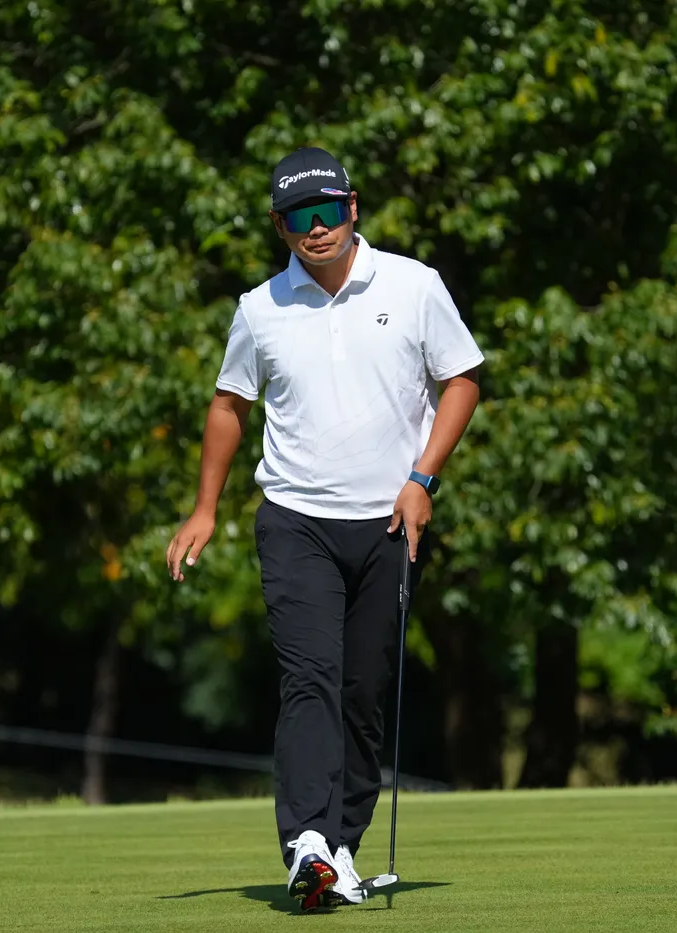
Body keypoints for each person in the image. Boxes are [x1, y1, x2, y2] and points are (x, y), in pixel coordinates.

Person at [165, 146, 484, 912]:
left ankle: (340, 846)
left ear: (353, 207)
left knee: (361, 692)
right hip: (295, 521)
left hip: (390, 523)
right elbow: (228, 405)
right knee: (308, 678)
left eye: (328, 210)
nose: (316, 227)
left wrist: (423, 479)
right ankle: (307, 840)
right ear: (281, 227)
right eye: (298, 216)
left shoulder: (414, 285)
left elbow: (462, 380)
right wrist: (205, 507)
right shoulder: (260, 307)